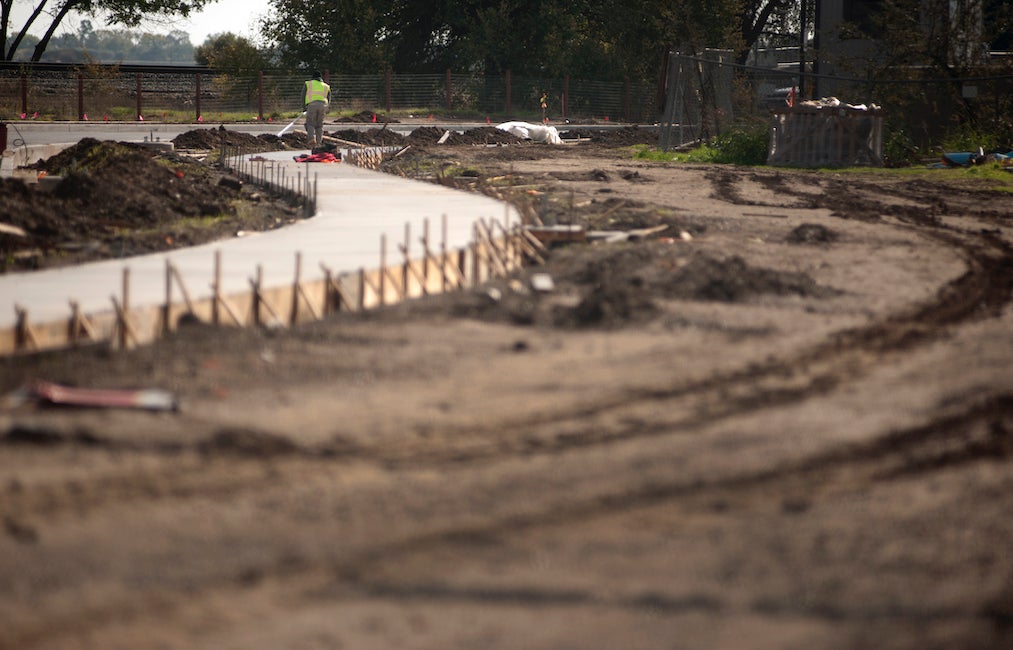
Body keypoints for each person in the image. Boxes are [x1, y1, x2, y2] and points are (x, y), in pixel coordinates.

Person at [303, 70, 331, 148]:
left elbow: (303, 95)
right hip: (323, 105)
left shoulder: (308, 84)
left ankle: (312, 139)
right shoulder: (326, 86)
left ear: (313, 77)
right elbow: (329, 97)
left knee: (310, 123)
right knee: (319, 125)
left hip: (312, 105)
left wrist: (304, 108)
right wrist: (327, 107)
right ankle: (318, 143)